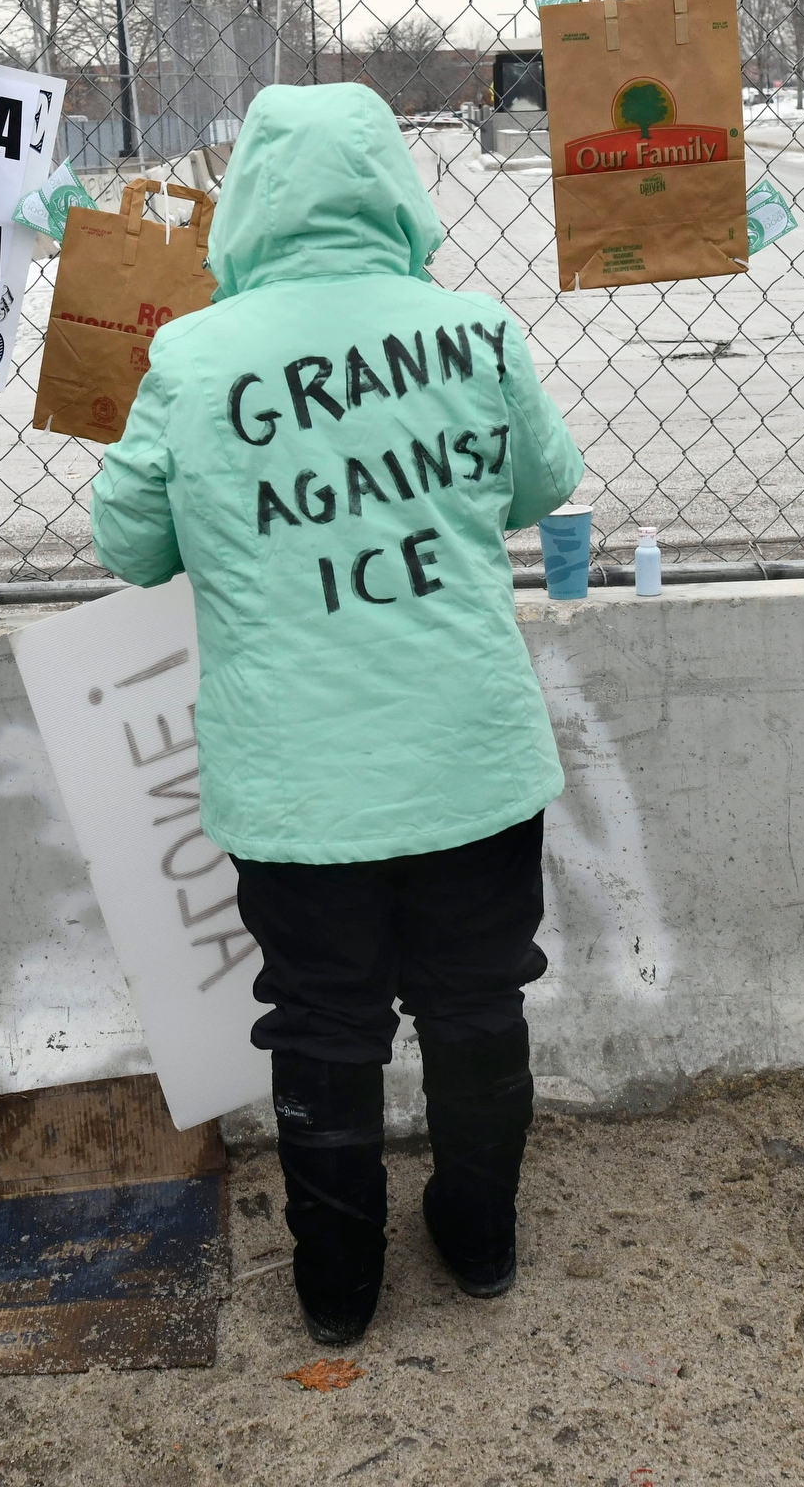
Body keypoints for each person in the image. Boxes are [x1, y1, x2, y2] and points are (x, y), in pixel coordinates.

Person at [91, 82, 584, 1346]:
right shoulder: (472, 329)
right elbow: (544, 482)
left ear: (248, 199)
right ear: (397, 190)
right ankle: (478, 1238)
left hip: (299, 778)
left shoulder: (194, 354)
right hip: (469, 758)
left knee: (321, 1017)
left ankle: (338, 1283)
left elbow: (130, 541)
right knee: (481, 999)